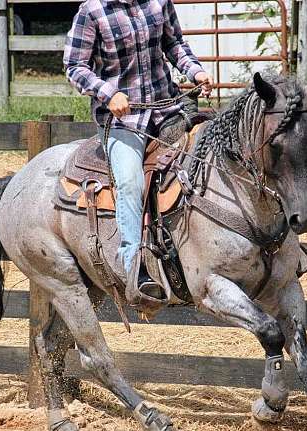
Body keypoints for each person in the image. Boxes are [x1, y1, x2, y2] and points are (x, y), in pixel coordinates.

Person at [63, 0, 213, 300]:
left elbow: (175, 45)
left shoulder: (158, 2)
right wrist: (108, 94)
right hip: (123, 121)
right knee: (130, 182)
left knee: (212, 150)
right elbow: (74, 66)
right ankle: (135, 269)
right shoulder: (92, 11)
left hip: (168, 108)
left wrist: (195, 72)